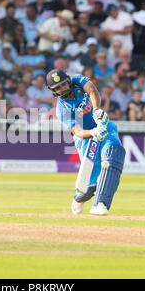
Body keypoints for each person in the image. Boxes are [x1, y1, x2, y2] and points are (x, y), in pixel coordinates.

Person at [45, 69, 125, 216]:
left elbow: (92, 90)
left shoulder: (77, 80)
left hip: (104, 127)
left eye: (63, 84)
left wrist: (96, 111)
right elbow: (77, 131)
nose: (61, 89)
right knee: (90, 186)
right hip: (86, 138)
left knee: (113, 156)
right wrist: (93, 133)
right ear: (53, 91)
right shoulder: (62, 109)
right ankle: (79, 197)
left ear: (68, 81)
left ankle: (100, 204)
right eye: (57, 88)